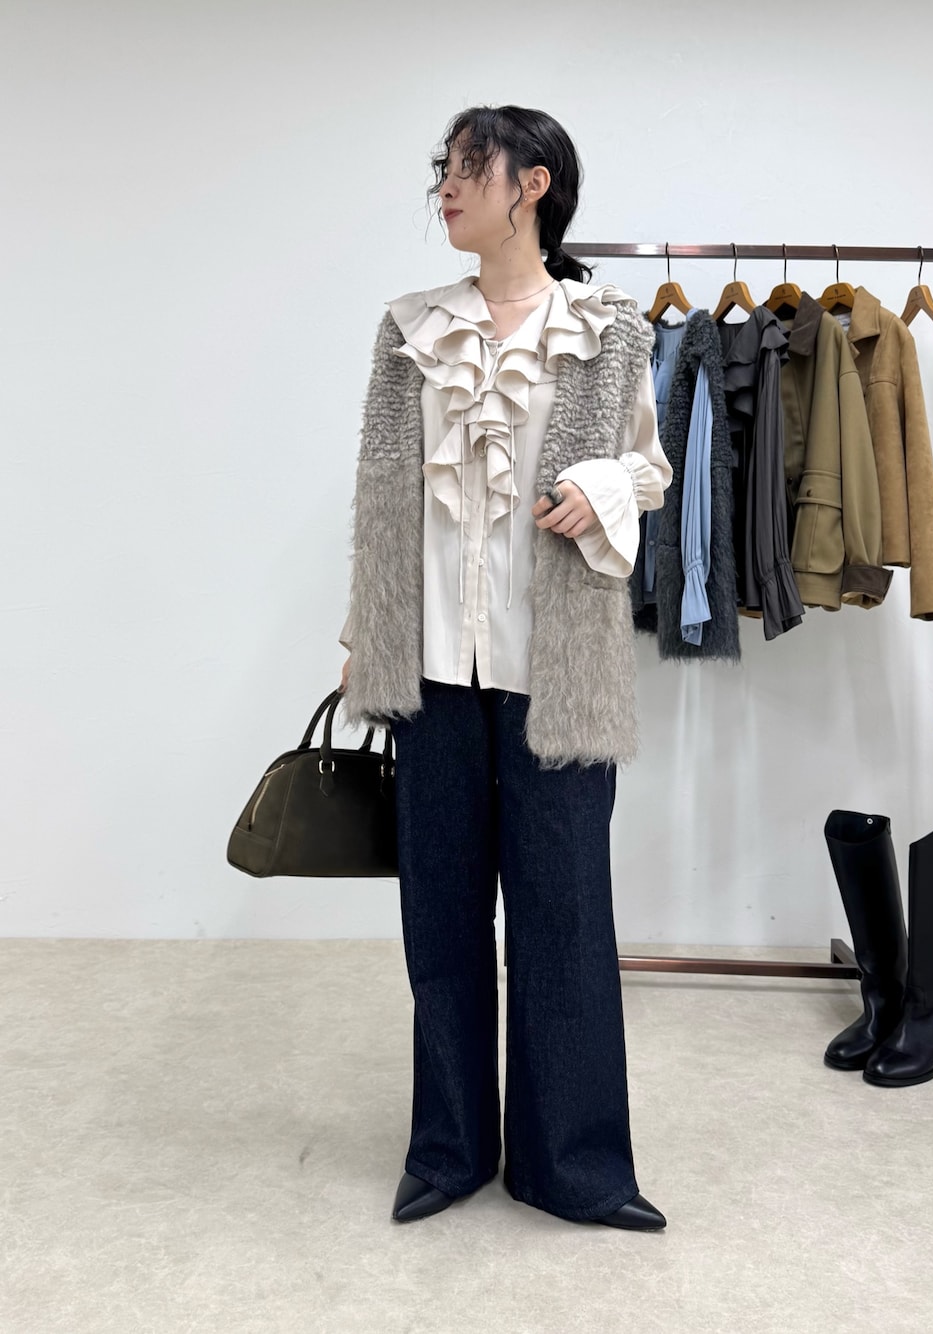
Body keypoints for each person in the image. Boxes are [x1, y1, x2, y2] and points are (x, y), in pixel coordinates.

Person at [339, 105, 672, 1230]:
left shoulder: (606, 330)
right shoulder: (410, 329)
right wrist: (367, 627)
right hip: (431, 665)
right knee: (440, 917)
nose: (445, 186)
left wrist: (600, 488)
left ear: (532, 185)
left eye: (468, 167)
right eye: (442, 168)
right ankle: (447, 1149)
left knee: (563, 915)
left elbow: (651, 467)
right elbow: (383, 492)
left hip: (554, 670)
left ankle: (574, 1164)